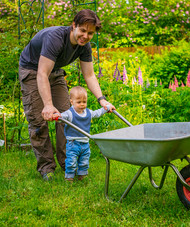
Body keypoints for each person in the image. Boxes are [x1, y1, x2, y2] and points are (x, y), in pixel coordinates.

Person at [18, 9, 115, 181]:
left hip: (54, 71)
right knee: (39, 121)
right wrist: (47, 104)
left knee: (67, 117)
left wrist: (102, 100)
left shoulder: (85, 47)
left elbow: (90, 75)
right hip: (33, 71)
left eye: (90, 33)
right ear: (74, 26)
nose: (85, 36)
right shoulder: (55, 38)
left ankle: (67, 163)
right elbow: (42, 74)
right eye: (83, 31)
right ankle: (46, 167)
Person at [59, 86, 109, 182]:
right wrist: (57, 116)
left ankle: (82, 176)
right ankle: (69, 177)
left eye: (84, 102)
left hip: (85, 143)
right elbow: (61, 117)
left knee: (84, 161)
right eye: (79, 102)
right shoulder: (69, 114)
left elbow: (97, 113)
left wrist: (106, 109)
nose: (82, 104)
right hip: (73, 143)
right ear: (71, 102)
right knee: (71, 161)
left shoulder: (88, 112)